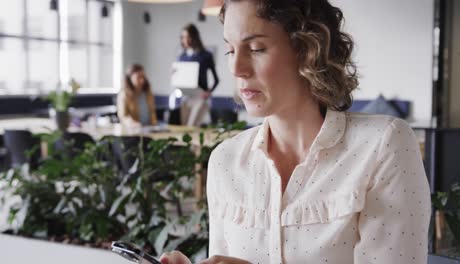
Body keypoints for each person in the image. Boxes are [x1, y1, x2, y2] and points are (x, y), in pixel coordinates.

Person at [161, 0, 431, 263]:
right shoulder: (225, 161)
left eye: (255, 48)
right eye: (231, 50)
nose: (236, 68)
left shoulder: (383, 145)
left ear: (309, 49)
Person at [178, 23, 220, 126]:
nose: (186, 40)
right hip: (186, 96)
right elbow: (180, 78)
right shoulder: (181, 57)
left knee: (192, 126)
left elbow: (216, 80)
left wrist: (209, 92)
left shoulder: (206, 55)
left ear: (194, 37)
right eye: (183, 37)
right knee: (184, 128)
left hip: (200, 97)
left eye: (188, 37)